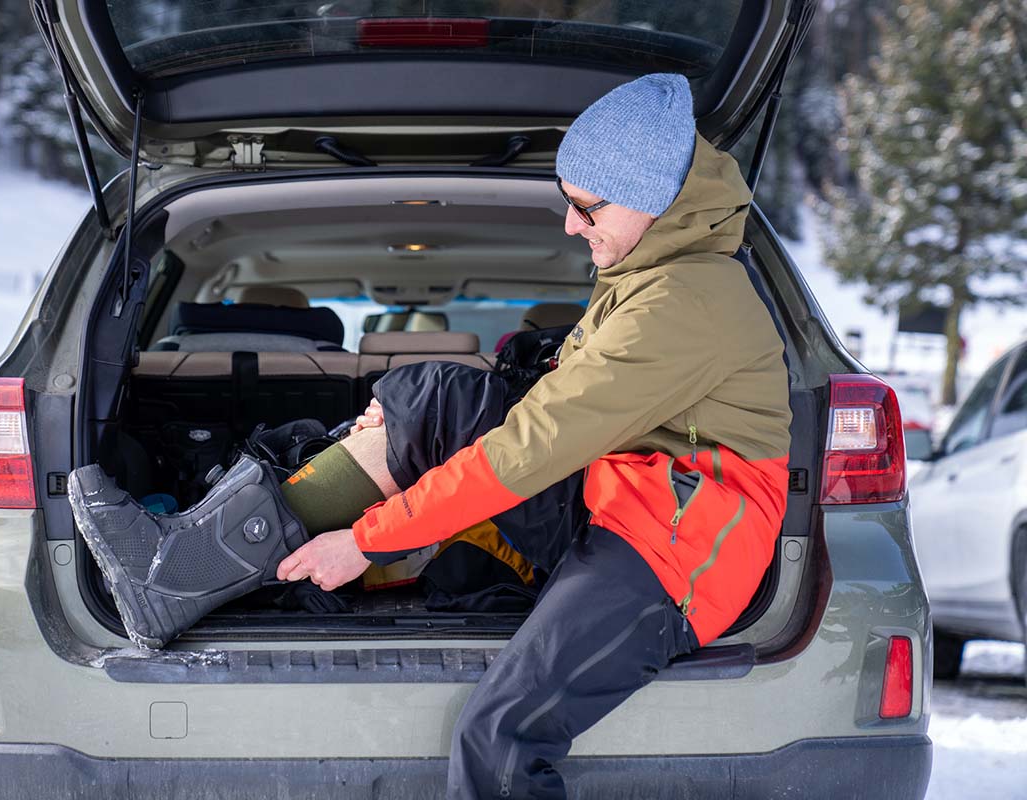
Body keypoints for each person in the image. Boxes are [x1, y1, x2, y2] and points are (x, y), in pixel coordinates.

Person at [69, 73, 792, 799]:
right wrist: (403, 425)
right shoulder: (647, 271)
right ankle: (185, 569)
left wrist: (367, 539)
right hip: (618, 497)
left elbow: (529, 449)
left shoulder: (686, 302)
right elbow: (546, 412)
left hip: (673, 559)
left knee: (500, 738)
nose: (570, 225)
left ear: (649, 196)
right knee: (435, 395)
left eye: (584, 206)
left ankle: (195, 567)